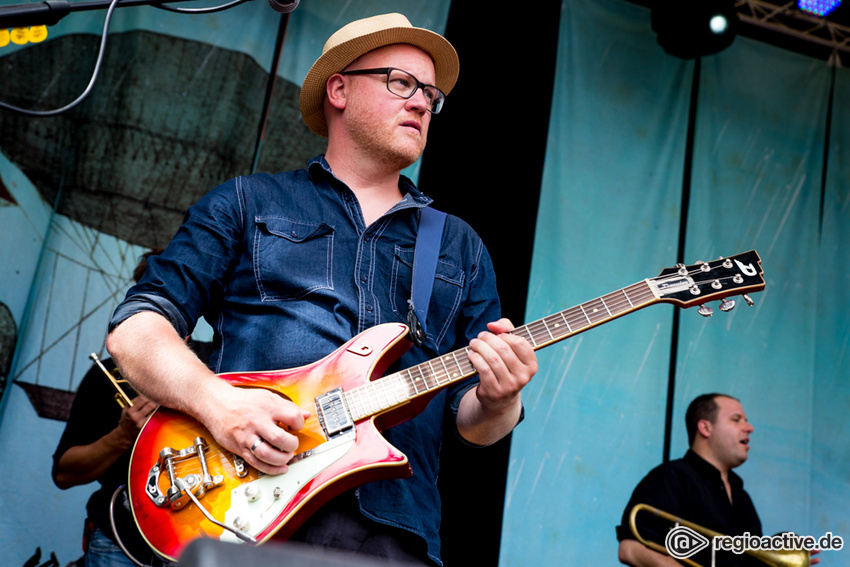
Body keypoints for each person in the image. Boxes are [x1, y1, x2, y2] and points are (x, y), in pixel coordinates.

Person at [105, 12, 537, 567]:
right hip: (244, 510)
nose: (422, 103)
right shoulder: (247, 202)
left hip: (394, 535)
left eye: (430, 94)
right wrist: (220, 406)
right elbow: (137, 329)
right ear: (339, 89)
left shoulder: (460, 245)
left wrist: (500, 397)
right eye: (401, 83)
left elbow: (473, 425)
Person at [616, 393, 817, 567]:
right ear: (705, 428)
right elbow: (630, 548)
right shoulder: (671, 477)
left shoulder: (742, 498)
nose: (750, 427)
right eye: (736, 420)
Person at [53, 251, 162, 567]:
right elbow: (63, 473)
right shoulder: (106, 374)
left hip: (201, 543)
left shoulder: (218, 364)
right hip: (120, 541)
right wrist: (122, 436)